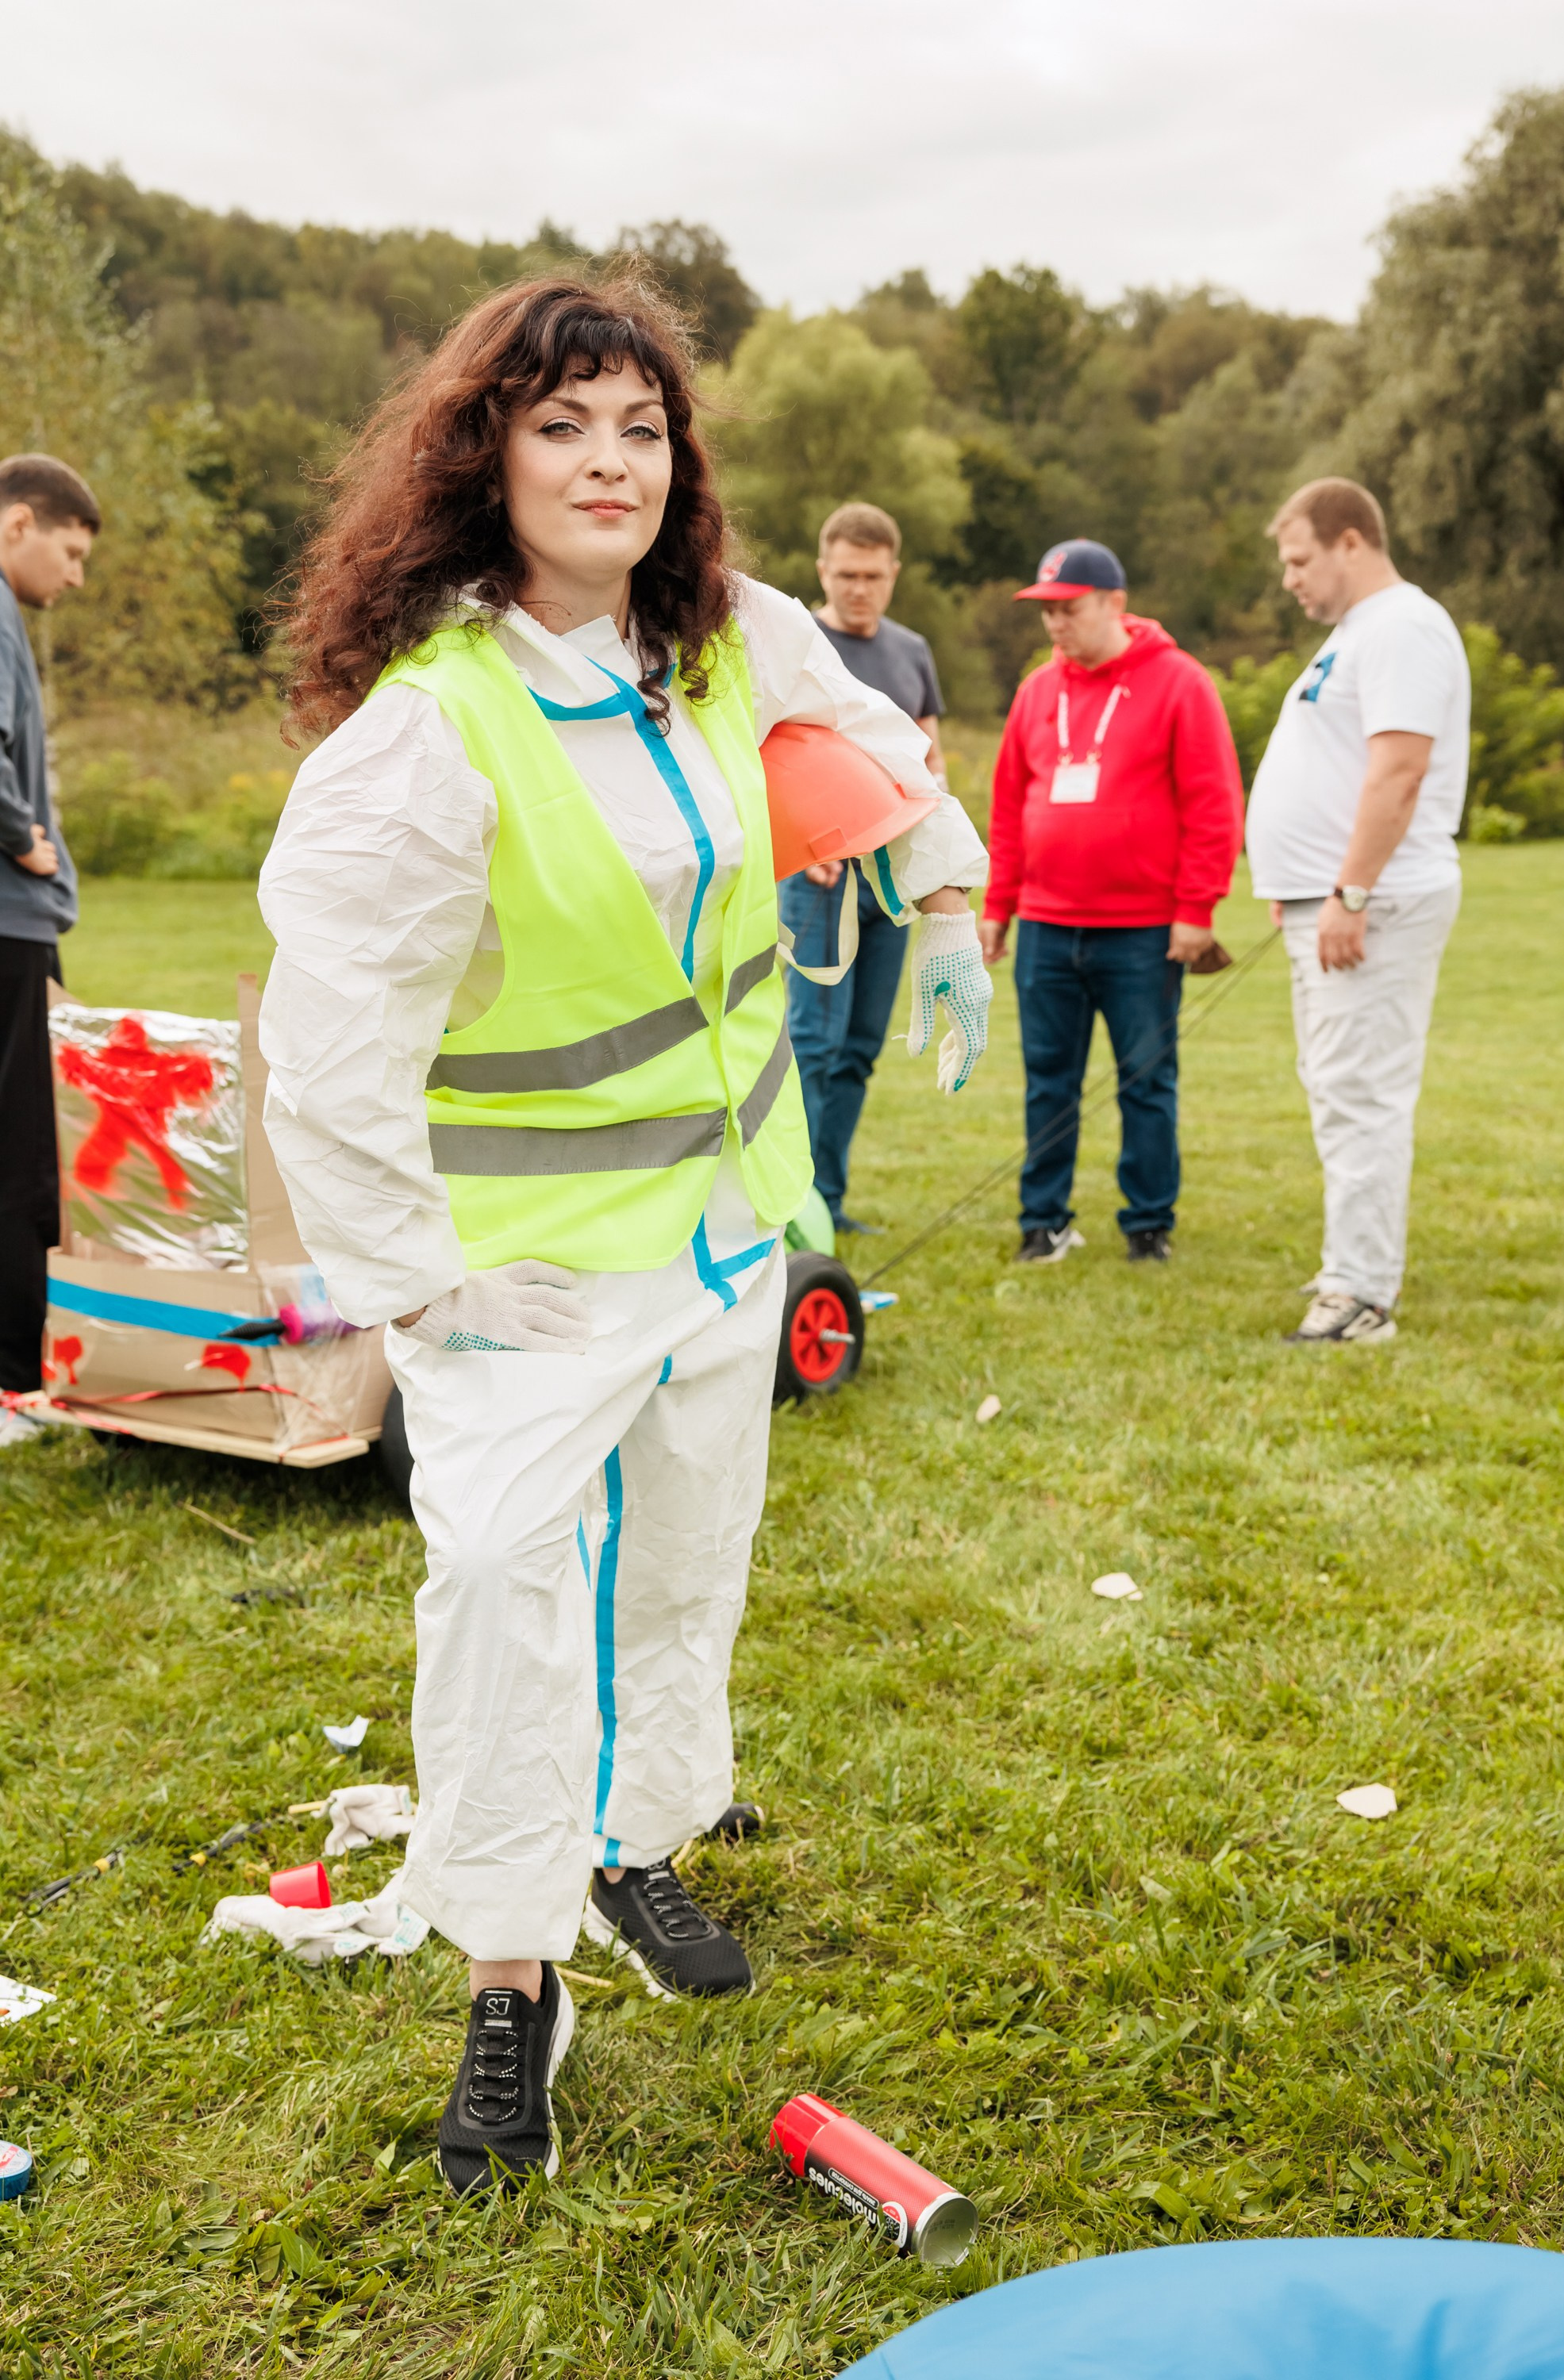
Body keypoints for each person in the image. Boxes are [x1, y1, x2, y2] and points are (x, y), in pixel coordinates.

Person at [259, 277, 991, 2195]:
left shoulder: (731, 635)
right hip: (523, 1275)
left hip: (724, 1240)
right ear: (483, 457)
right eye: (562, 424)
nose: (610, 463)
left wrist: (946, 899)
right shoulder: (433, 735)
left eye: (641, 428)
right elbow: (326, 1053)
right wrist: (413, 1283)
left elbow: (877, 747)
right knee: (504, 1594)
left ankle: (632, 1843)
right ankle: (509, 1978)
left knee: (677, 1569)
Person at [977, 539, 1243, 1265]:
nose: (1055, 624)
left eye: (1070, 609)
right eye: (1047, 612)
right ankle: (1043, 1223)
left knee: (1146, 1081)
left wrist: (1197, 909)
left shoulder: (1181, 682)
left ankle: (1148, 1225)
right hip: (1047, 925)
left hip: (1143, 930)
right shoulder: (1037, 691)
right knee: (1048, 1082)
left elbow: (1214, 805)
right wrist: (999, 906)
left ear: (1115, 604)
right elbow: (1009, 807)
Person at [1246, 478, 1468, 1345]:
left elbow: (1399, 771)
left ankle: (1361, 1294)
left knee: (1361, 1094)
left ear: (1350, 541)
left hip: (1373, 903)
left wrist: (1349, 891)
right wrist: (1303, 888)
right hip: (1329, 904)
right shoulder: (1355, 634)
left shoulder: (1403, 627)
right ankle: (1351, 1262)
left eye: (1299, 560)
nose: (1290, 579)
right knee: (1334, 1086)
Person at [779, 502, 957, 1232]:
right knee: (814, 1047)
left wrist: (940, 859)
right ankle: (792, 1209)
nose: (859, 589)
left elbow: (929, 759)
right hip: (818, 877)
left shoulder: (912, 651)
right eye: (847, 575)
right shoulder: (793, 641)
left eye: (873, 576)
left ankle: (831, 1202)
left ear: (894, 574)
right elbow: (769, 751)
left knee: (858, 1049)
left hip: (892, 880)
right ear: (823, 570)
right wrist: (807, 840)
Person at [0, 455, 97, 1433]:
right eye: (70, 553)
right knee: (25, 1149)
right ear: (18, 523)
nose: (75, 576)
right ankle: (14, 1381)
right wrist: (21, 836)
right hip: (9, 925)